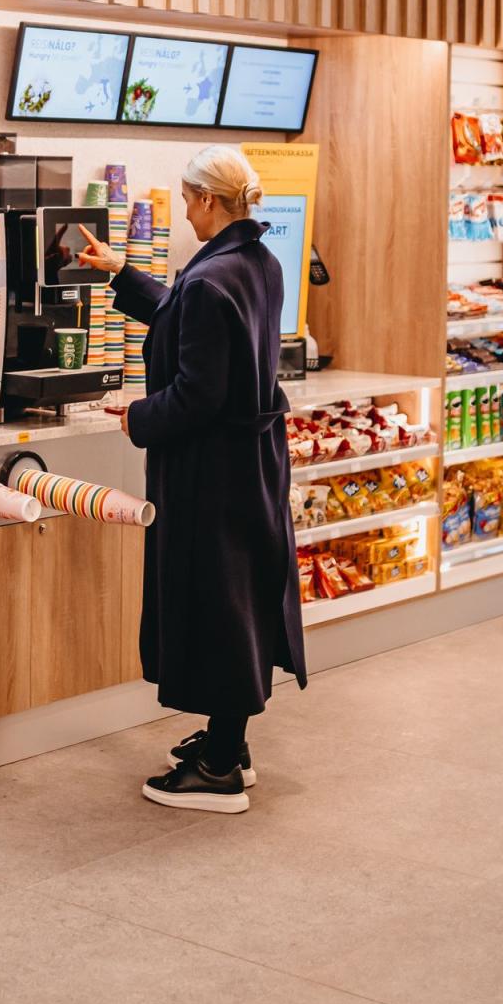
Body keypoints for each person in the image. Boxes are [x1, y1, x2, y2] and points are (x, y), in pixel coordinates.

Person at [79, 145, 306, 814]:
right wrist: (122, 271)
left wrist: (138, 415)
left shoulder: (211, 277)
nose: (184, 212)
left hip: (211, 475)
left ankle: (218, 771)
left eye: (186, 200)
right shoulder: (257, 262)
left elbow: (198, 395)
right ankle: (229, 742)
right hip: (251, 465)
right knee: (239, 599)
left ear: (208, 199)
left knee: (216, 606)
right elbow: (190, 319)